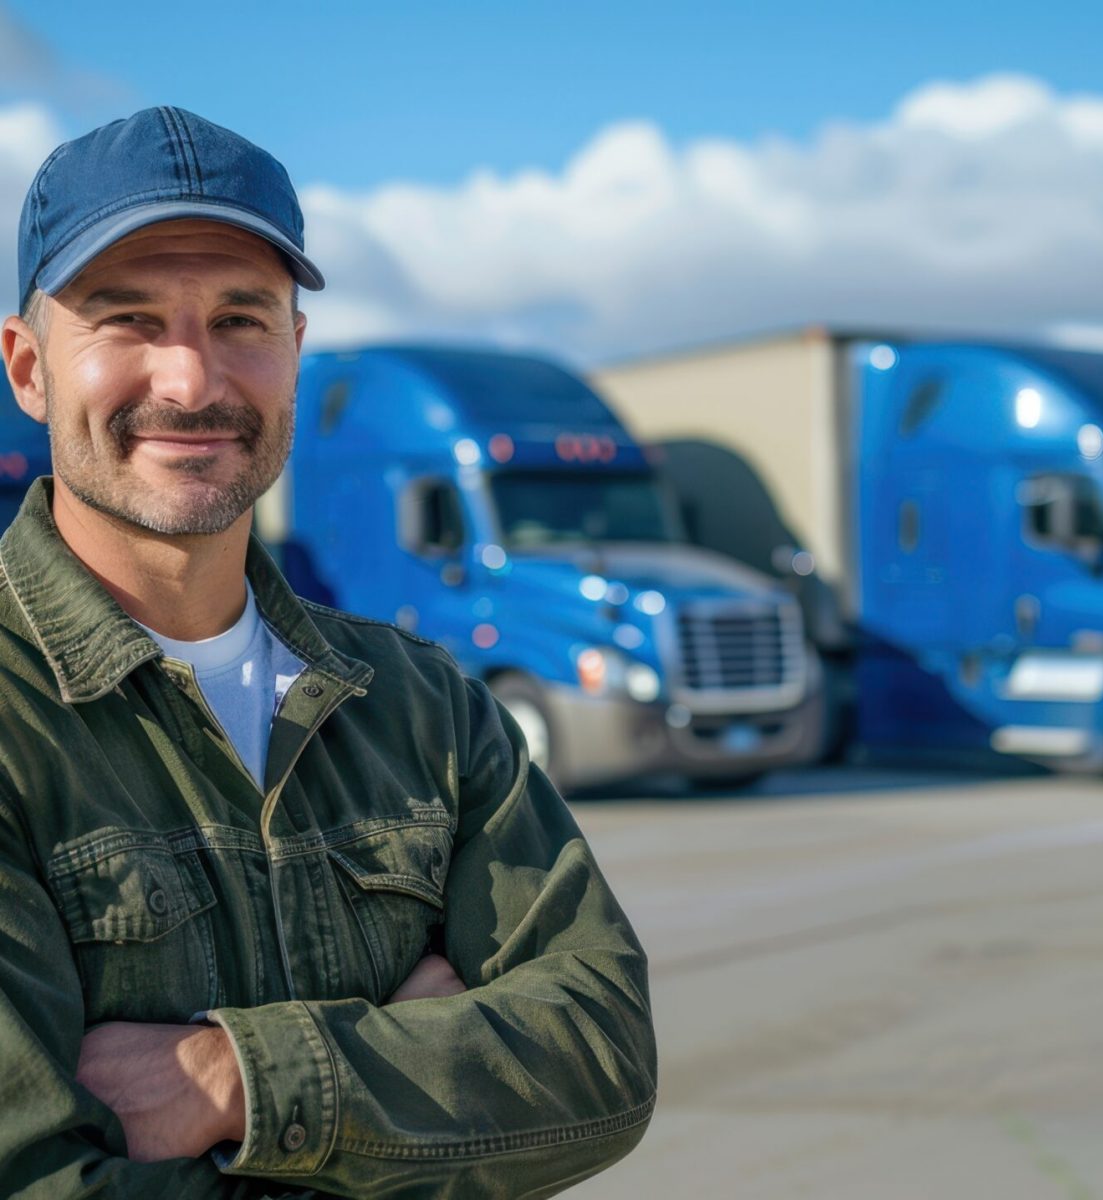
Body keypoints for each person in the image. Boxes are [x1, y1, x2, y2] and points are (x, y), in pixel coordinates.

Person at [0, 107, 655, 1198]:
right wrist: (417, 1078)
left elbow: (604, 1058)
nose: (191, 380)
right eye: (127, 320)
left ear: (295, 354)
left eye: (240, 320)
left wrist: (238, 1082)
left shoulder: (420, 707)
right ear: (28, 368)